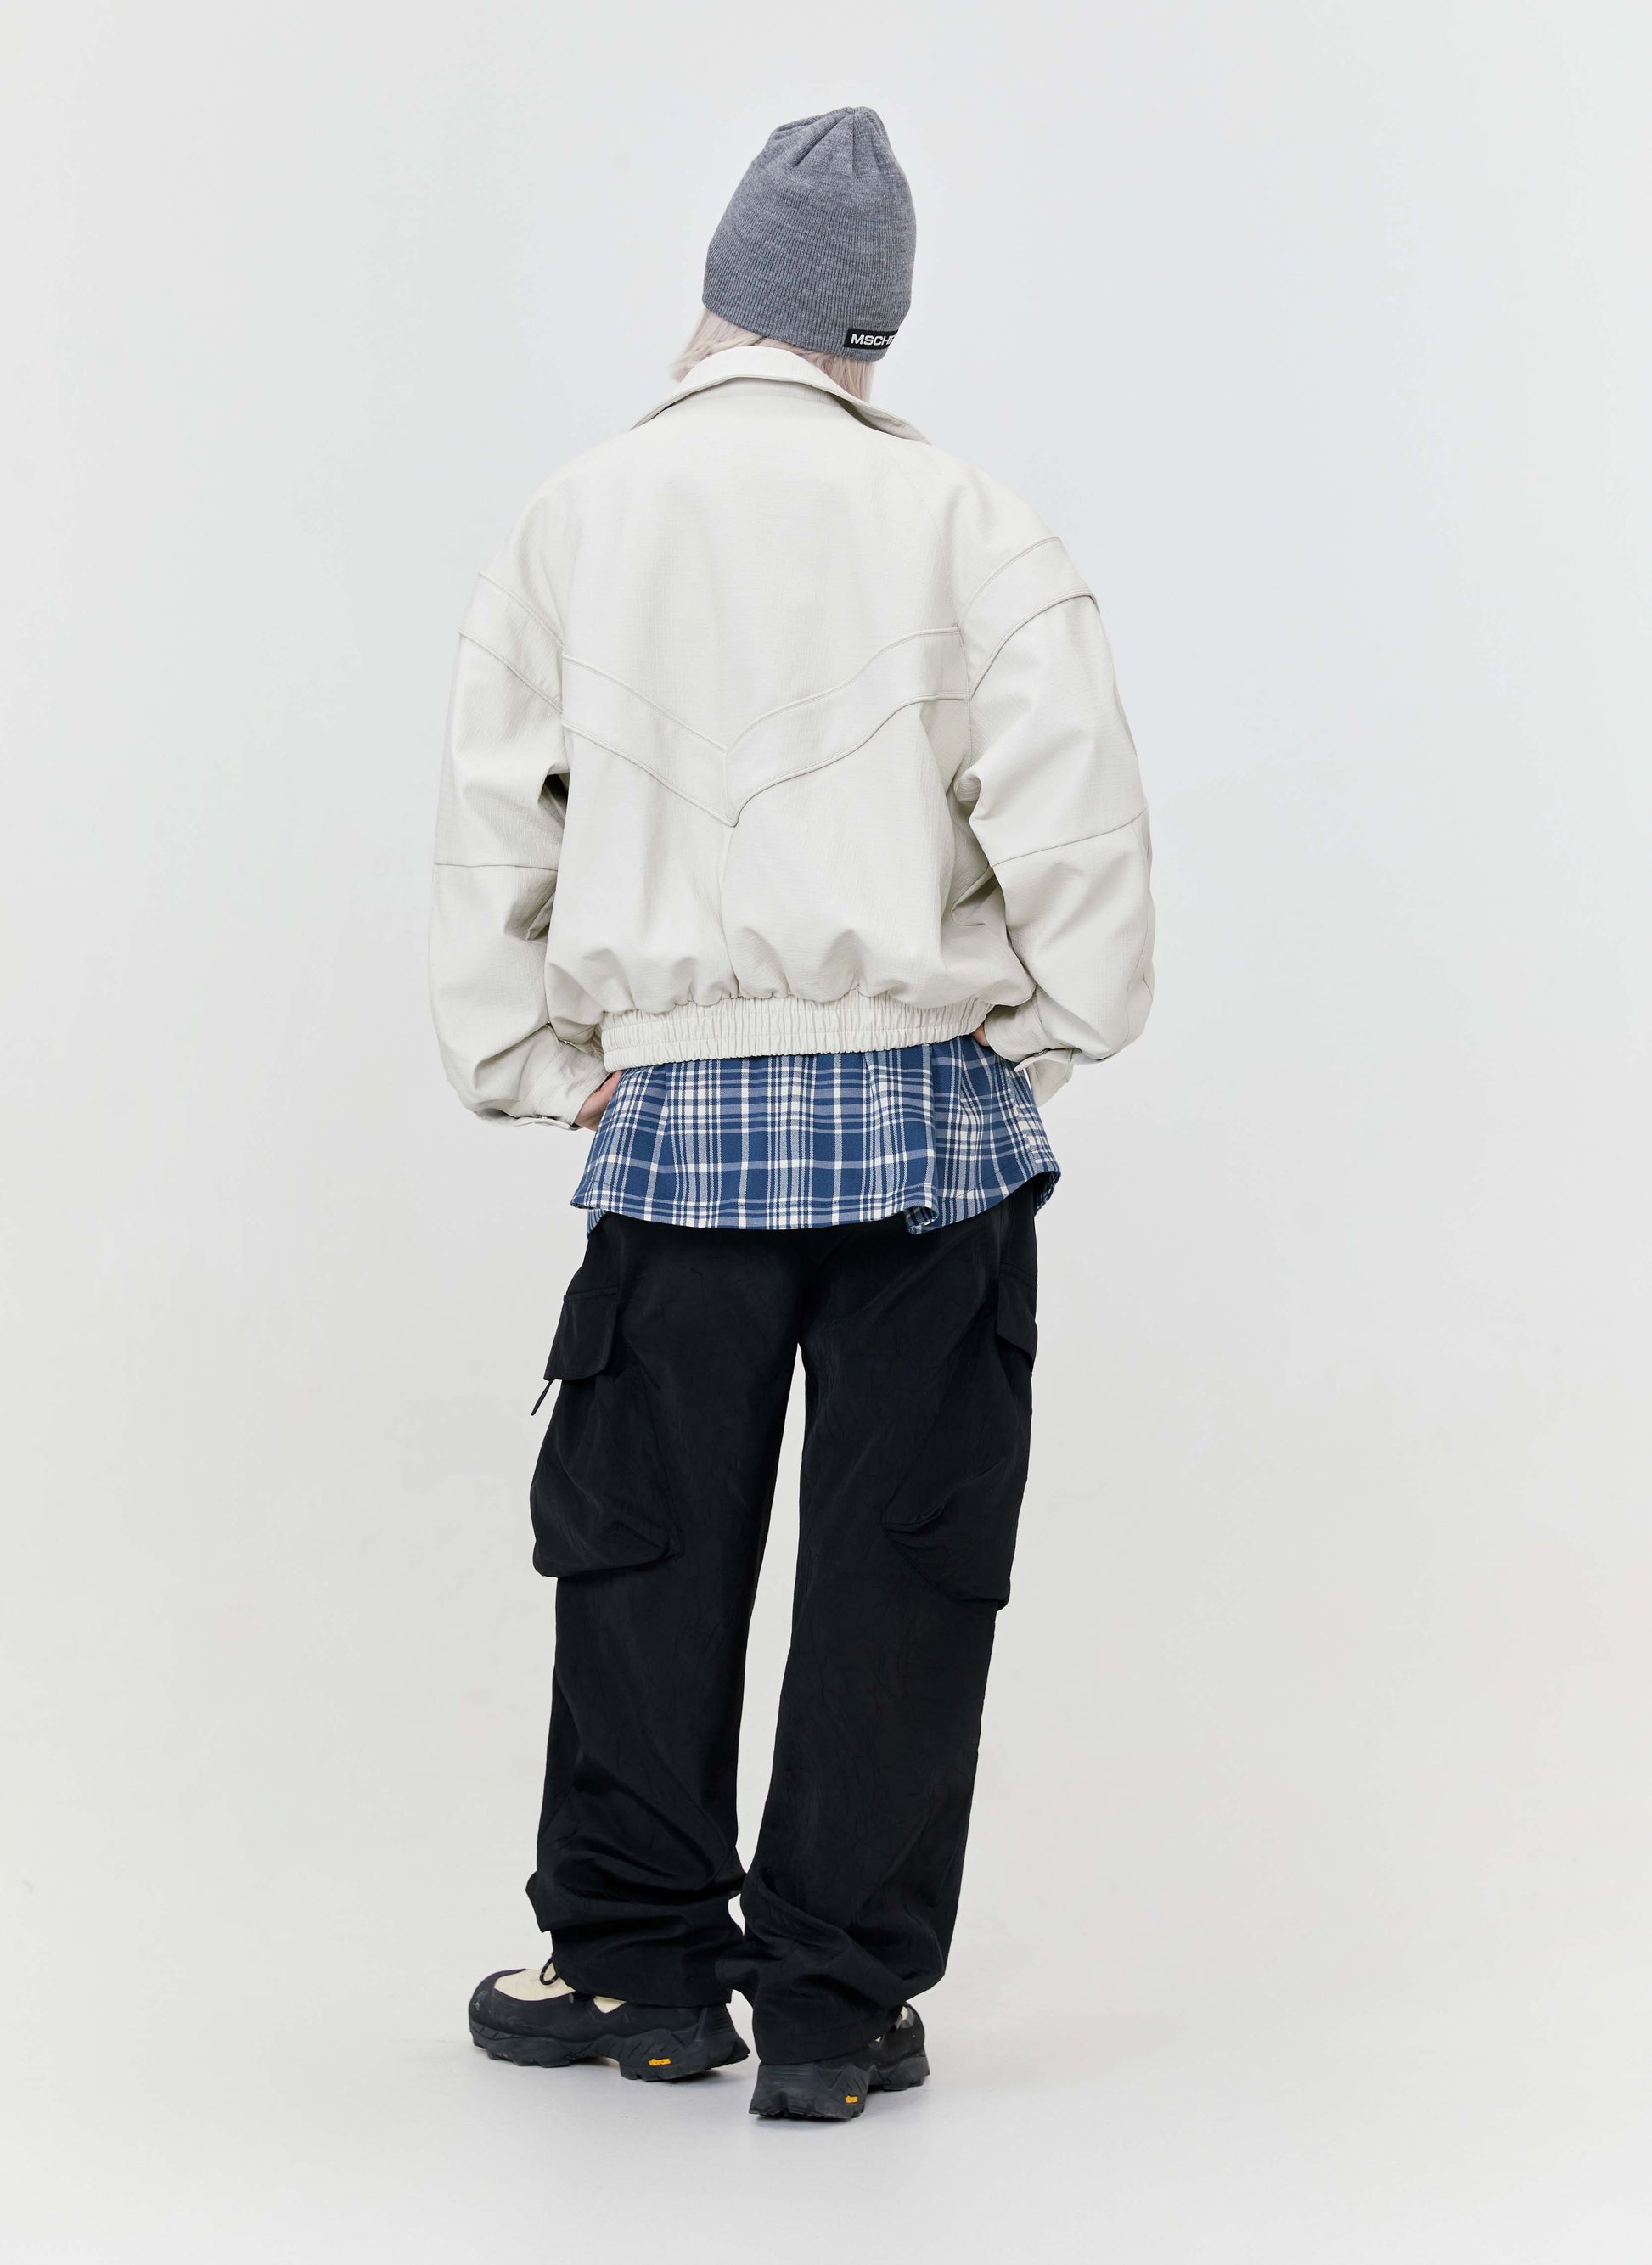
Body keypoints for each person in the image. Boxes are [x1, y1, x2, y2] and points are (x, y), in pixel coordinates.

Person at [430, 107, 1154, 2122]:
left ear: (719, 297)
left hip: (681, 1128)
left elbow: (494, 819)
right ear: (871, 329)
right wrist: (1035, 1033)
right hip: (931, 1135)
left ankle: (643, 1974)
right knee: (903, 1561)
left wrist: (530, 1056)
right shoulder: (972, 523)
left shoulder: (582, 511)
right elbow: (1081, 826)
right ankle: (834, 2010)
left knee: (643, 1550)